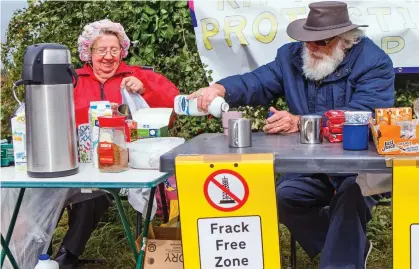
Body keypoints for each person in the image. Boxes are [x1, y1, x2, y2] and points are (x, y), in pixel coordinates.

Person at [188, 2, 394, 269]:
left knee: (350, 196)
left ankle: (341, 262)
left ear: (345, 40)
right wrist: (220, 88)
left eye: (321, 42)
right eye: (307, 40)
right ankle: (348, 246)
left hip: (360, 165)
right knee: (286, 196)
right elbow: (258, 81)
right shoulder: (291, 57)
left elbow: (364, 113)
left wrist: (301, 121)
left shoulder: (374, 62)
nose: (311, 48)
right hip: (310, 165)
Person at [53, 19, 179, 269]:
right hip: (74, 160)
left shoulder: (138, 75)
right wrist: (94, 112)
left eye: (115, 50)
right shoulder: (73, 80)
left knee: (94, 194)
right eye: (102, 50)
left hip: (126, 162)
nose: (108, 57)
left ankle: (67, 256)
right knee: (43, 191)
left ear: (123, 51)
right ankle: (36, 252)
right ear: (88, 52)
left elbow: (173, 106)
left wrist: (145, 91)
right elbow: (55, 113)